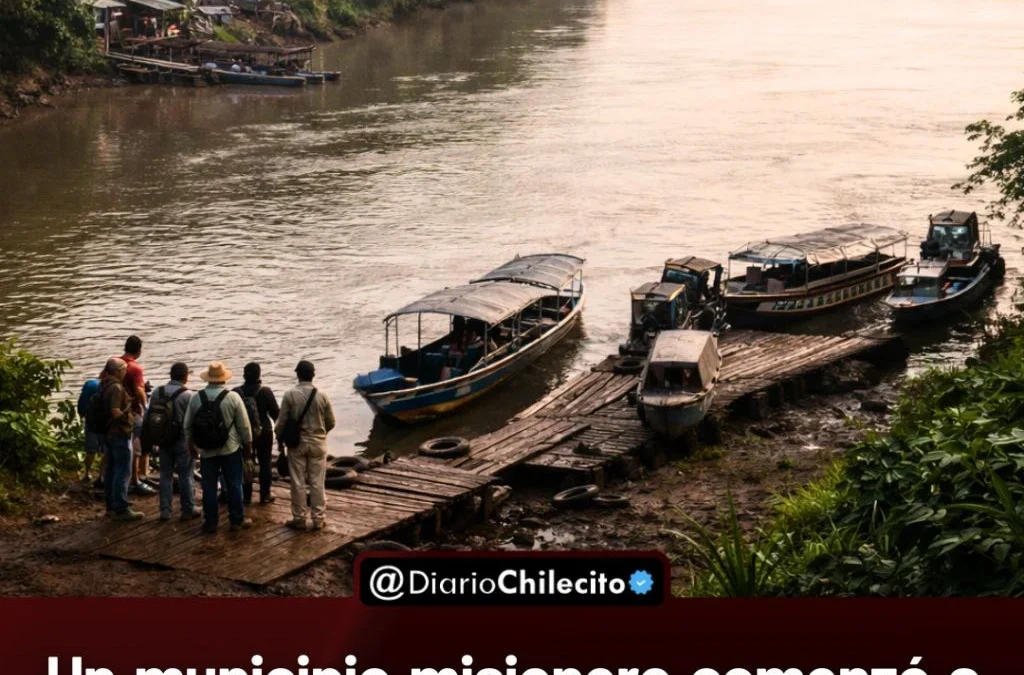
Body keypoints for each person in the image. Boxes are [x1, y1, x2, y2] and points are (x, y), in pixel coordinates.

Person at [183, 362, 253, 533]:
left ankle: (210, 522)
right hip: (230, 449)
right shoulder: (232, 397)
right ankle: (236, 520)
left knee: (209, 487)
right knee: (234, 484)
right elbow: (244, 427)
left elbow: (187, 426)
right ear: (223, 379)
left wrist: (191, 445)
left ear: (208, 378)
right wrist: (248, 448)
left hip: (206, 451)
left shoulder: (196, 397)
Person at [275, 360, 335, 532]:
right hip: (318, 443)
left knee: (297, 481)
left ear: (297, 374)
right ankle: (318, 520)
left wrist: (279, 440)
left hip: (297, 444)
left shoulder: (289, 395)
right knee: (317, 482)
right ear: (313, 375)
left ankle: (299, 519)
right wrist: (321, 434)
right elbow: (331, 421)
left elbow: (281, 423)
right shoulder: (322, 395)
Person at [101, 336, 154, 497]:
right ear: (139, 350)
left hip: (107, 420)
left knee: (110, 457)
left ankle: (104, 481)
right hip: (129, 415)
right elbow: (139, 391)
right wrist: (145, 408)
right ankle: (135, 481)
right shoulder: (135, 368)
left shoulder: (111, 365)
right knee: (133, 449)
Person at [152, 362, 199, 522]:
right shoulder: (188, 395)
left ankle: (165, 511)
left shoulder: (157, 392)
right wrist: (194, 444)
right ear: (185, 377)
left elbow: (151, 418)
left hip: (163, 440)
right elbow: (192, 421)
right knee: (186, 475)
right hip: (182, 441)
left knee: (165, 474)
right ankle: (188, 509)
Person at [100, 358, 145, 522]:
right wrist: (130, 418)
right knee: (123, 471)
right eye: (124, 369)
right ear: (118, 371)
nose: (125, 372)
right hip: (119, 433)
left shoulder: (104, 384)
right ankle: (121, 508)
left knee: (111, 470)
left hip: (108, 433)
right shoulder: (117, 388)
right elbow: (115, 411)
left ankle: (111, 505)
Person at [235, 362, 280, 506]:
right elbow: (276, 414)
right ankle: (265, 495)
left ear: (244, 375)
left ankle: (246, 496)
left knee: (246, 462)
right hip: (264, 432)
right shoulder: (265, 391)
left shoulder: (236, 392)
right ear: (259, 375)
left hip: (243, 433)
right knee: (265, 463)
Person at [77, 378, 103, 483]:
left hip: (90, 422)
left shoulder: (90, 385)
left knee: (90, 451)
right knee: (105, 451)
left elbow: (81, 407)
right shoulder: (108, 387)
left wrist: (83, 415)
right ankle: (102, 476)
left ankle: (87, 473)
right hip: (103, 423)